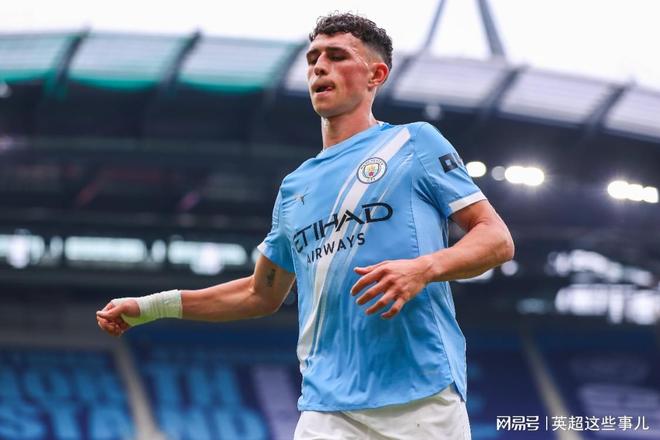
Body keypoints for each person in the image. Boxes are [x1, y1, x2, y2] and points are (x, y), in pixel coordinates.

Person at [97, 12, 514, 439]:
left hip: (422, 400)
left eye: (337, 56)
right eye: (313, 58)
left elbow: (496, 238)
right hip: (327, 409)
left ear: (376, 75)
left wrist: (423, 268)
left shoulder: (413, 143)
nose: (320, 67)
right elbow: (260, 292)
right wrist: (151, 307)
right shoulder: (295, 187)